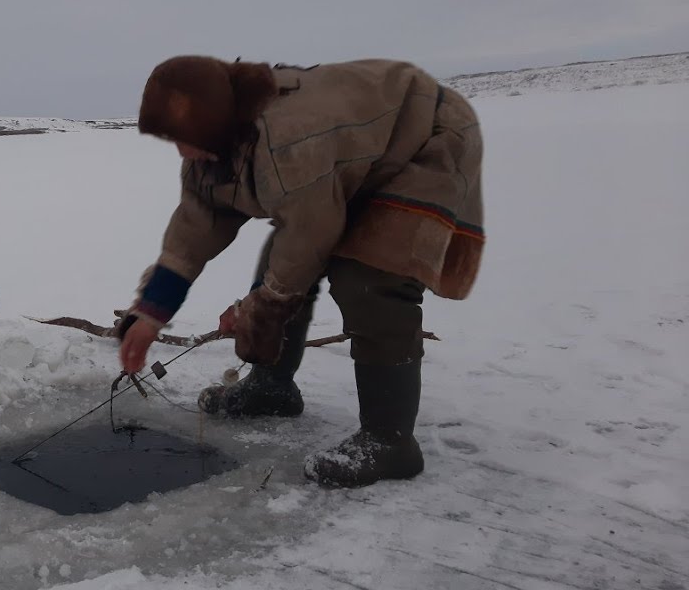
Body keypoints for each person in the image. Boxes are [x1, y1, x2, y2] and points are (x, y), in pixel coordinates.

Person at [116, 55, 484, 488]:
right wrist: (150, 312)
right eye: (172, 139)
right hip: (348, 161)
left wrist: (261, 309)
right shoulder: (211, 145)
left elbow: (308, 237)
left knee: (370, 281)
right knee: (285, 263)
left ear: (214, 121)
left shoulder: (287, 139)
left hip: (424, 141)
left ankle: (390, 441)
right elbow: (195, 230)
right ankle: (272, 388)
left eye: (184, 138)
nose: (182, 151)